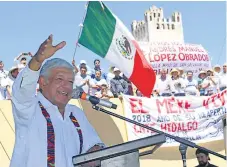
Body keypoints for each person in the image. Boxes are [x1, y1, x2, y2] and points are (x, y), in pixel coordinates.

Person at [10, 35, 104, 167]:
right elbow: (23, 88)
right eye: (59, 80)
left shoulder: (76, 114)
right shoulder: (29, 108)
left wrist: (96, 152)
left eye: (70, 82)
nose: (66, 86)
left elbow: (93, 148)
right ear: (43, 82)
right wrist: (37, 60)